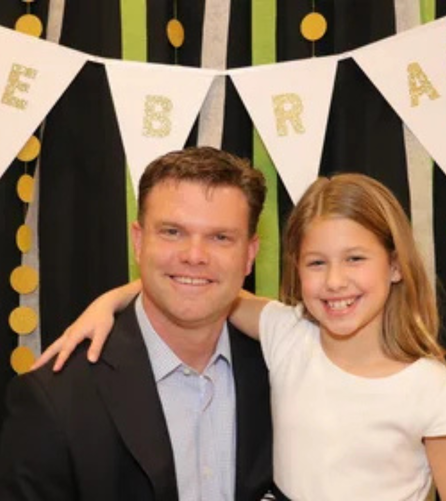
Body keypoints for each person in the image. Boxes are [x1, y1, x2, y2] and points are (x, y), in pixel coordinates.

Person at [37, 173, 446, 500]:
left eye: (354, 259)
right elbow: (198, 283)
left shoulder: (438, 393)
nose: (334, 282)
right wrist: (109, 301)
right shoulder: (286, 333)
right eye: (316, 263)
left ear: (394, 265)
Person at [0, 147, 273, 500]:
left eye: (220, 237)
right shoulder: (56, 397)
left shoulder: (285, 370)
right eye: (173, 232)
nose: (194, 255)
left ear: (250, 254)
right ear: (138, 241)